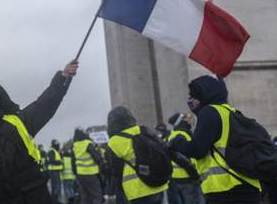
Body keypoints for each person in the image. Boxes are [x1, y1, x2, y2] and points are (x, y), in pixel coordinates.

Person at [0, 60, 79, 204]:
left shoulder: (18, 122)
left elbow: (44, 105)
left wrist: (63, 77)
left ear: (0, 101)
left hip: (30, 197)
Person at [170, 76, 262, 204]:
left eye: (194, 96)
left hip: (226, 190)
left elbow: (197, 150)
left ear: (205, 96)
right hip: (246, 185)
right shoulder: (231, 112)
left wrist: (177, 140)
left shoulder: (209, 112)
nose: (189, 101)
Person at [106, 106, 168, 204]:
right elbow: (164, 149)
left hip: (136, 191)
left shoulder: (113, 142)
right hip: (159, 184)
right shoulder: (143, 129)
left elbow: (116, 173)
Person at [166, 113, 203, 204]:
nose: (189, 120)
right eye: (186, 118)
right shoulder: (180, 136)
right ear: (181, 122)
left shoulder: (174, 134)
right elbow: (182, 159)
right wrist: (195, 175)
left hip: (178, 178)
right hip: (186, 178)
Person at [72, 128, 103, 204]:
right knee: (97, 196)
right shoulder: (87, 144)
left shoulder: (75, 146)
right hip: (90, 174)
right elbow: (97, 157)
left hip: (80, 175)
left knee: (85, 197)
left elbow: (73, 161)